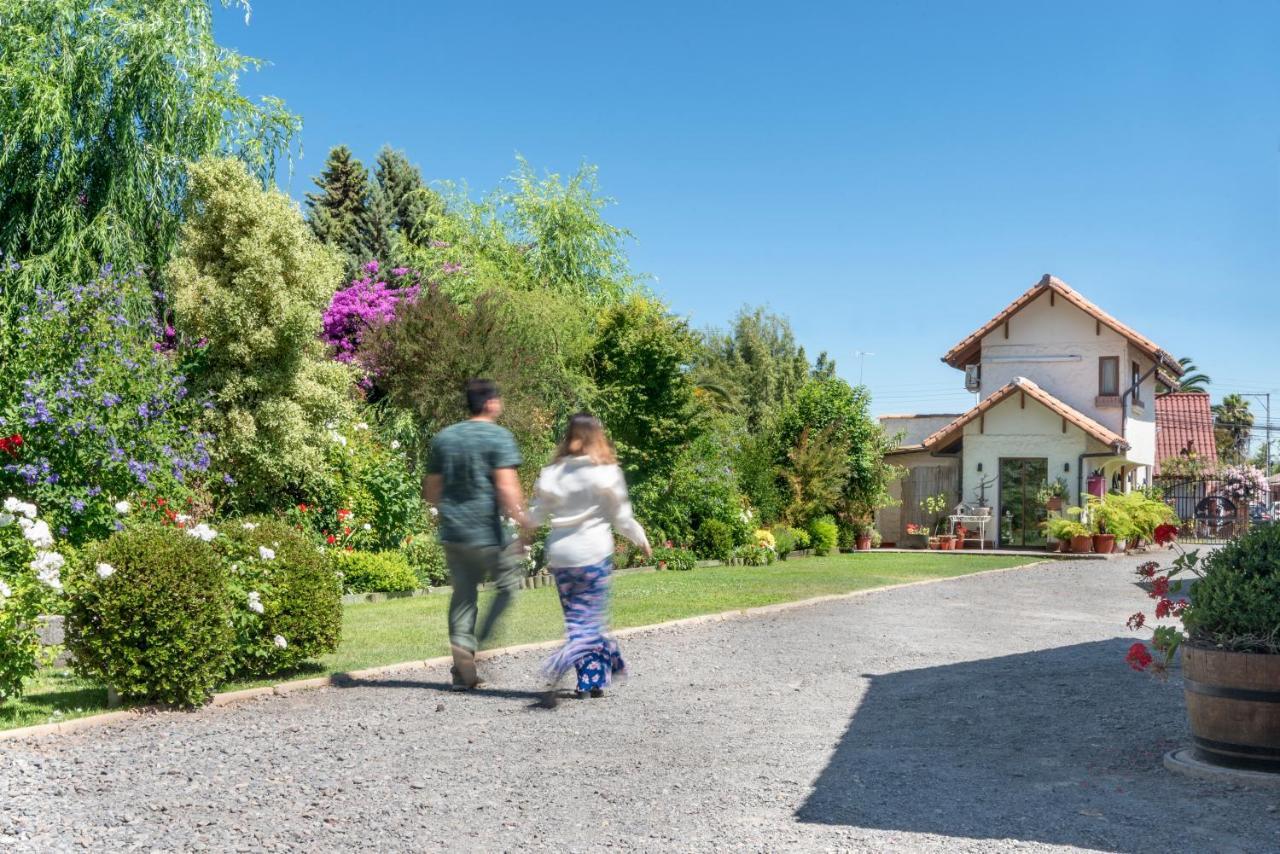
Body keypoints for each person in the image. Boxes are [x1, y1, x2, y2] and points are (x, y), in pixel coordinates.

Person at [526, 413, 650, 706]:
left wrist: (520, 537)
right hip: (594, 553)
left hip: (563, 556)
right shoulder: (606, 472)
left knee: (579, 620)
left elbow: (537, 514)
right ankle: (565, 662)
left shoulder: (552, 473)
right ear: (598, 437)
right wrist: (640, 538)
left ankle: (593, 680)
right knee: (590, 620)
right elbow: (621, 517)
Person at [424, 379, 529, 691]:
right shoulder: (498, 437)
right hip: (487, 533)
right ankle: (478, 641)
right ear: (491, 403)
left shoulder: (445, 438)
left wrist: (450, 509)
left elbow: (430, 491)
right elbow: (507, 486)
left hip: (454, 532)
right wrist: (524, 522)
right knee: (508, 587)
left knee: (463, 597)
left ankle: (461, 664)